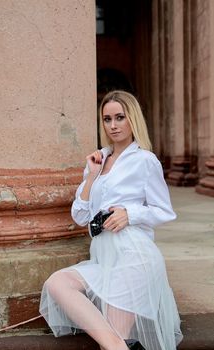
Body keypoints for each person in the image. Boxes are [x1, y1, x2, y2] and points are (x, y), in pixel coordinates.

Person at [39, 90, 183, 350]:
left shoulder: (145, 161)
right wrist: (92, 176)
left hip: (134, 258)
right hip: (104, 260)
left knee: (113, 343)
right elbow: (80, 215)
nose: (113, 125)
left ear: (132, 119)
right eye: (107, 119)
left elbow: (164, 210)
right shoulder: (97, 161)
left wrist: (131, 214)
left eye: (120, 117)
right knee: (57, 283)